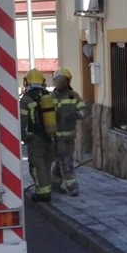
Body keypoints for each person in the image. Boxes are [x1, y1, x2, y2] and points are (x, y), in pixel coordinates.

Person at [19, 70, 56, 202]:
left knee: (36, 165)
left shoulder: (26, 99)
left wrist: (23, 136)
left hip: (35, 137)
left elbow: (22, 120)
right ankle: (46, 189)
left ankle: (43, 193)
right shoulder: (48, 96)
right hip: (50, 136)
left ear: (27, 82)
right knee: (46, 163)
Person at [50, 68, 86, 197]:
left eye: (62, 80)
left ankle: (55, 184)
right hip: (54, 136)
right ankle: (72, 186)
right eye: (57, 80)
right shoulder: (49, 97)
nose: (59, 83)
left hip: (68, 136)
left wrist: (76, 114)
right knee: (65, 160)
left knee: (63, 160)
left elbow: (83, 111)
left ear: (67, 81)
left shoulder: (74, 96)